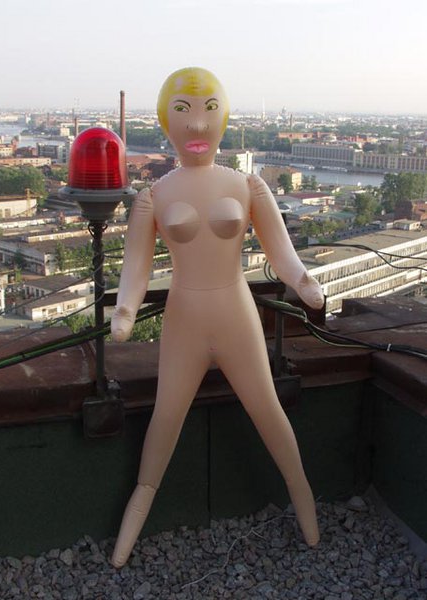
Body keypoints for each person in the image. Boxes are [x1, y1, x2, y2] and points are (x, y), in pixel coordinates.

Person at [110, 67, 324, 568]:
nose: (197, 124)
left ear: (223, 116)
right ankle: (136, 512)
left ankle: (304, 499)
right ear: (165, 121)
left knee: (268, 410)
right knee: (166, 418)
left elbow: (282, 252)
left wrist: (303, 281)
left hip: (236, 315)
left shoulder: (247, 185)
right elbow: (135, 270)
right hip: (184, 322)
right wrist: (124, 310)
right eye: (182, 111)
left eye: (209, 109)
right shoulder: (154, 196)